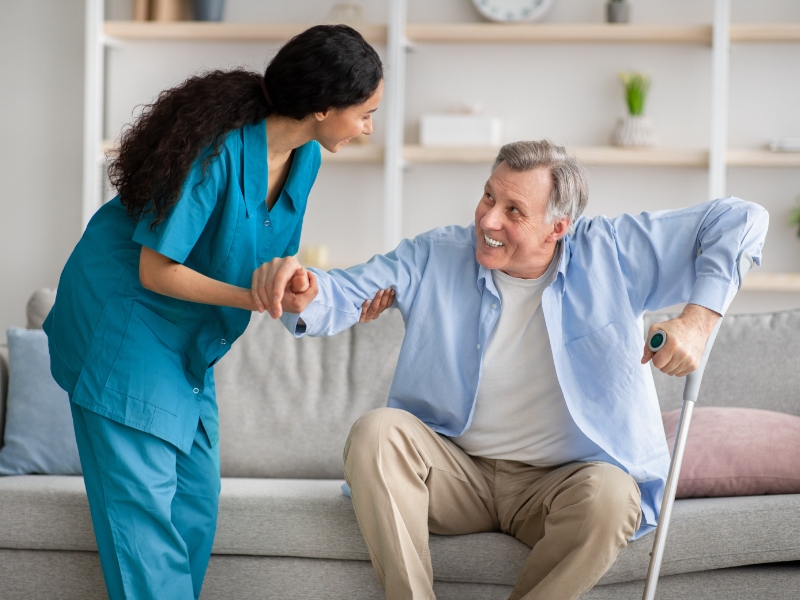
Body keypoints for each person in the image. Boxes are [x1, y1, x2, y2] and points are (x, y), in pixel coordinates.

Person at [270, 140, 769, 600]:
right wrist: (308, 295)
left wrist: (699, 321)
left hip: (560, 484)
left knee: (614, 497)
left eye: (513, 211)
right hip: (455, 474)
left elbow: (742, 219)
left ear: (558, 227)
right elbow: (341, 292)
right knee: (376, 433)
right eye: (488, 197)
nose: (488, 219)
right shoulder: (435, 254)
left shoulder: (613, 253)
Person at [43, 24, 388, 600]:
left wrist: (297, 284)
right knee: (144, 524)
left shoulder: (305, 158)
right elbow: (156, 269)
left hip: (189, 338)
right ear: (325, 107)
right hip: (124, 322)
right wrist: (253, 298)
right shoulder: (219, 151)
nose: (369, 126)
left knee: (196, 508)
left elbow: (269, 252)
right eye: (366, 112)